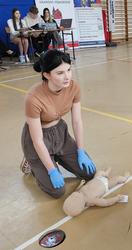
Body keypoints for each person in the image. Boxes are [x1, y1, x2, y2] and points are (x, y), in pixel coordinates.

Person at [21, 49, 96, 198]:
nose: (67, 76)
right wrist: (51, 170)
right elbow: (37, 140)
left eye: (68, 70)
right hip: (38, 139)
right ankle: (32, 162)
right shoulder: (33, 98)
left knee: (89, 173)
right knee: (57, 191)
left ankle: (56, 157)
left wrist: (80, 151)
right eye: (60, 73)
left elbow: (77, 121)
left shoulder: (74, 87)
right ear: (46, 74)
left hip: (60, 134)